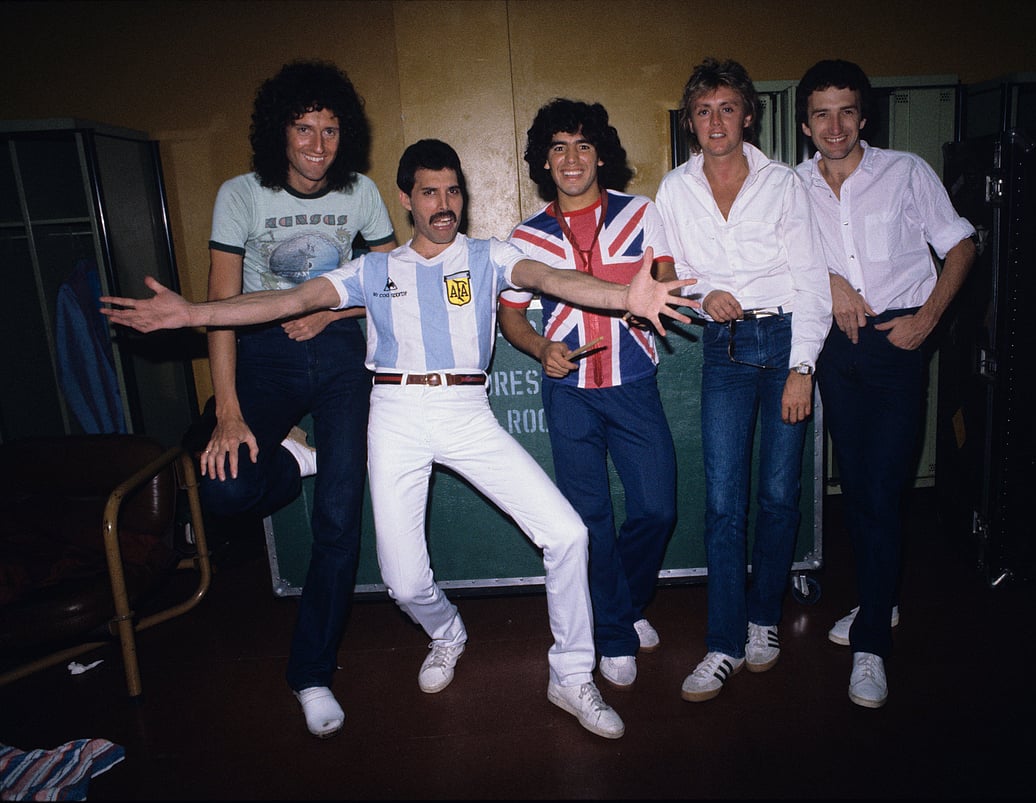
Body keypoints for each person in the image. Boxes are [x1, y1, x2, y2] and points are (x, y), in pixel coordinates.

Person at [101, 138, 700, 740]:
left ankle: (570, 674)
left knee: (568, 533)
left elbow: (553, 277)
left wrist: (624, 296)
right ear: (406, 199)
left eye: (453, 191)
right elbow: (289, 299)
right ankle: (447, 632)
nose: (444, 204)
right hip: (395, 414)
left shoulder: (490, 255)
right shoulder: (372, 269)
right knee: (405, 581)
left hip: (466, 410)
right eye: (429, 192)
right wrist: (194, 314)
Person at [199, 60, 396, 738]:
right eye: (303, 128)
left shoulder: (362, 192)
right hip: (262, 352)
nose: (317, 144)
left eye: (330, 130)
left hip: (339, 351)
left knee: (339, 519)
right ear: (279, 131)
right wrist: (227, 413)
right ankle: (290, 458)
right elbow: (220, 309)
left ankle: (311, 673)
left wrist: (333, 313)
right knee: (224, 489)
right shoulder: (240, 194)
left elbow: (393, 285)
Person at [795, 59, 976, 708]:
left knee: (881, 488)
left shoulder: (906, 171)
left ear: (863, 116)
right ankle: (881, 599)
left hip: (899, 342)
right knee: (860, 485)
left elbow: (961, 246)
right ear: (805, 124)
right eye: (821, 113)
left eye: (846, 111)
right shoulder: (791, 187)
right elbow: (777, 260)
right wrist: (832, 282)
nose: (835, 126)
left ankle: (872, 642)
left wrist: (928, 320)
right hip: (836, 347)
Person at [655, 58, 832, 702]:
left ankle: (763, 622)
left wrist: (803, 369)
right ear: (690, 122)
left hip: (785, 342)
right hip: (724, 349)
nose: (715, 122)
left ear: (748, 116)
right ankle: (724, 642)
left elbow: (812, 279)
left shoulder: (782, 183)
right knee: (725, 503)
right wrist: (703, 294)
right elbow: (669, 270)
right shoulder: (674, 189)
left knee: (780, 496)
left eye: (727, 108)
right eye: (703, 111)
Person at [499, 99, 678, 690]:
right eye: (558, 147)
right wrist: (539, 348)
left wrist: (659, 300)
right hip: (569, 392)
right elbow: (511, 315)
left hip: (634, 383)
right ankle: (615, 634)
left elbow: (666, 280)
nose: (571, 158)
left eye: (582, 145)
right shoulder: (526, 235)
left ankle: (620, 602)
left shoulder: (641, 213)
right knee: (590, 517)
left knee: (657, 508)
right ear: (543, 161)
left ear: (600, 154)